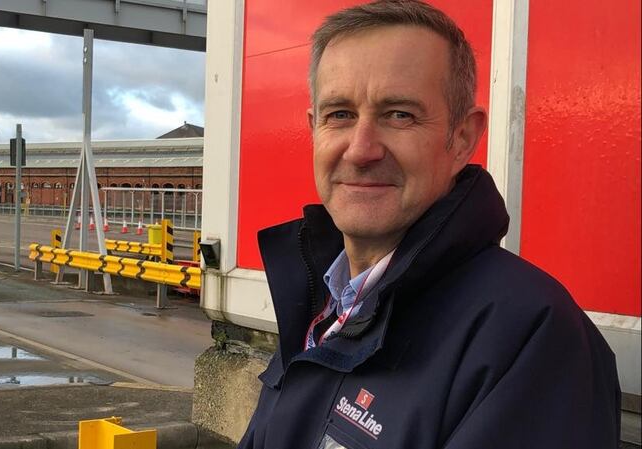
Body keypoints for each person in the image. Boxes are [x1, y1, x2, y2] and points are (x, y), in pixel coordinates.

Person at [238, 1, 620, 448]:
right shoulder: (324, 303)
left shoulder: (533, 340)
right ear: (313, 130)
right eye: (339, 114)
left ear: (462, 138)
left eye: (399, 114)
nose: (361, 149)